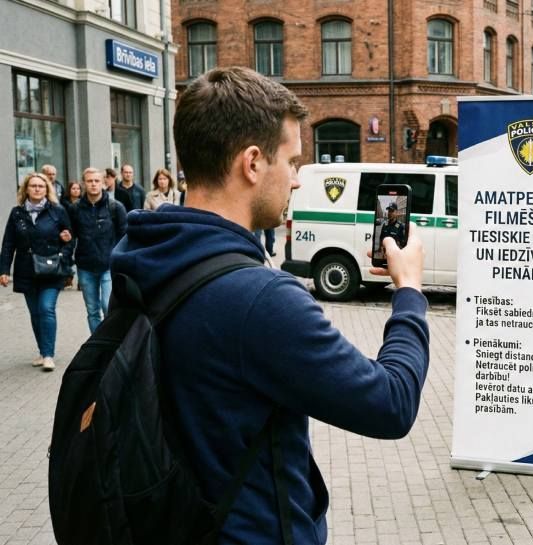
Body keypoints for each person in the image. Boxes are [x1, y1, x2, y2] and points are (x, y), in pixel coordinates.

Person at [110, 66, 430, 545]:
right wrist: (409, 293)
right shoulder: (259, 299)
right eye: (293, 161)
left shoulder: (142, 256)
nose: (298, 180)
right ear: (253, 163)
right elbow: (390, 403)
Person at [0, 173, 74, 371]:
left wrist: (63, 257)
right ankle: (42, 351)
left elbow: (70, 239)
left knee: (46, 309)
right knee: (35, 313)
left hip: (52, 270)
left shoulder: (57, 211)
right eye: (33, 186)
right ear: (26, 189)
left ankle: (49, 355)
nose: (37, 189)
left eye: (41, 186)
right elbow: (8, 243)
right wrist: (4, 270)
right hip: (26, 270)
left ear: (46, 189)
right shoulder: (17, 213)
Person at [68, 167, 127, 332]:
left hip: (109, 265)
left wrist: (121, 260)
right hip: (85, 266)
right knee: (92, 310)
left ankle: (110, 344)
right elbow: (70, 237)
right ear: (84, 184)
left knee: (107, 307)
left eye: (96, 181)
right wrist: (67, 265)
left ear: (103, 183)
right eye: (89, 181)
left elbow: (124, 237)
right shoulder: (75, 209)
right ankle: (96, 348)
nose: (93, 184)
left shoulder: (115, 207)